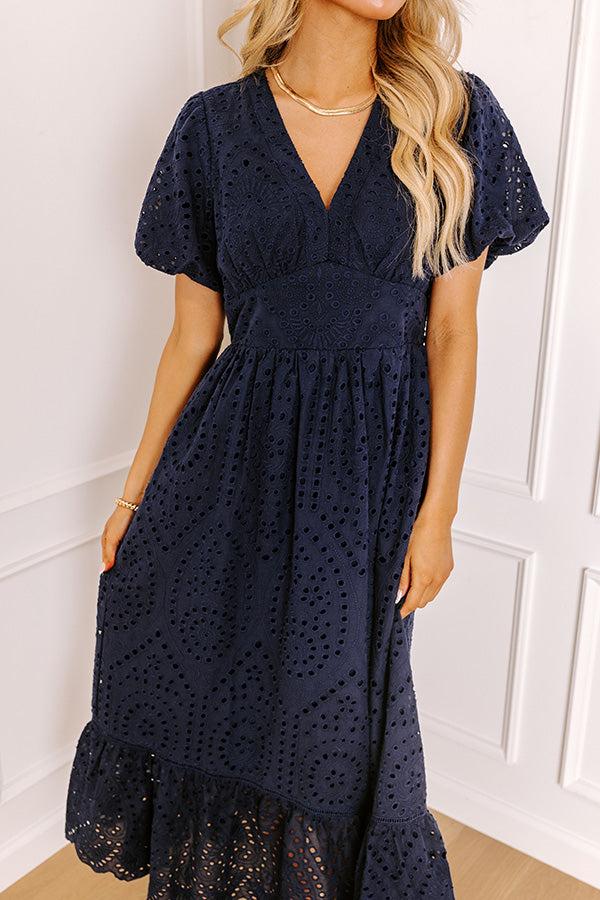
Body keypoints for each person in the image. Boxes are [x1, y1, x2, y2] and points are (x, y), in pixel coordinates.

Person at [64, 1, 549, 896]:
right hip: (229, 468)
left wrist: (439, 513)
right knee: (227, 697)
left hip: (370, 475)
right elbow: (191, 338)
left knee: (335, 729)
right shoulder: (212, 128)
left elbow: (454, 332)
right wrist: (134, 495)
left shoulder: (453, 114)